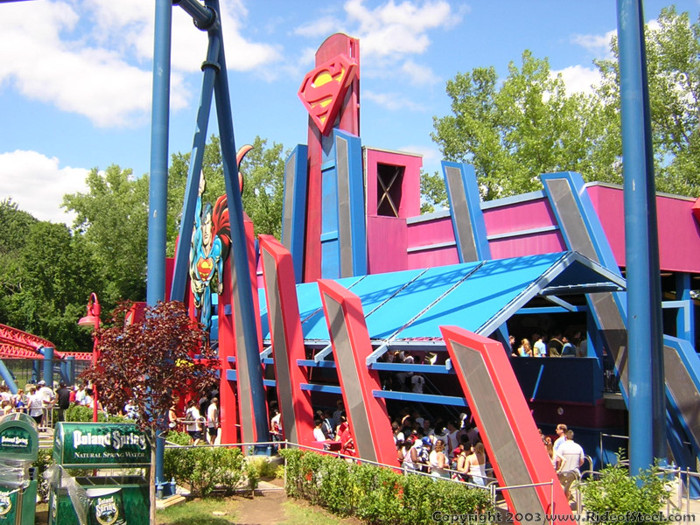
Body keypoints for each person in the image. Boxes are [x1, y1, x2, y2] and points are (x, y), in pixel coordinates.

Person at [557, 430, 585, 499]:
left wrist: (558, 468)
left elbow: (558, 460)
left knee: (559, 485)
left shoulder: (562, 446)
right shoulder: (578, 447)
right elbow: (582, 460)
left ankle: (565, 500)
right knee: (568, 486)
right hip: (574, 473)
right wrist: (577, 466)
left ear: (565, 436)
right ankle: (568, 497)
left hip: (563, 472)